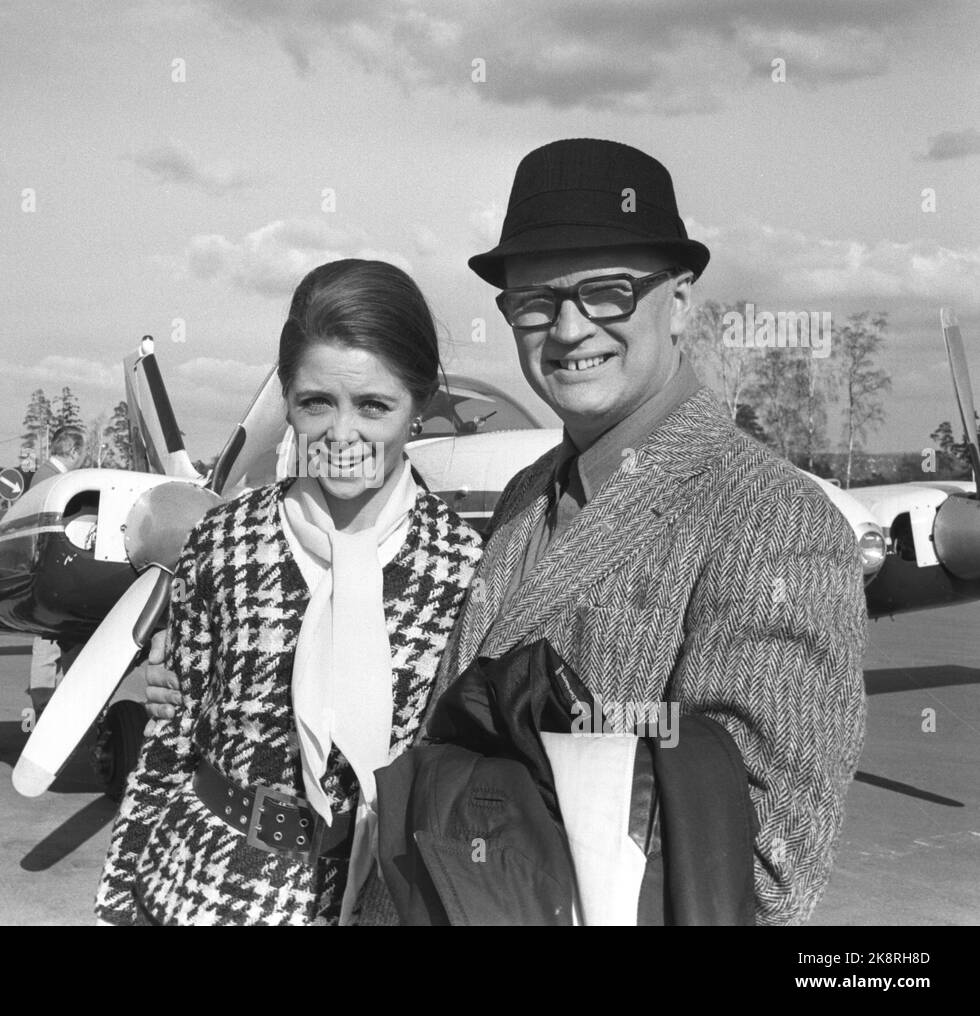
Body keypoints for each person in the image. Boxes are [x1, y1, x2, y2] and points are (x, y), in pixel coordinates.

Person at [148, 139, 868, 926]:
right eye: (535, 300)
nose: (567, 328)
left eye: (608, 292)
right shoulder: (531, 494)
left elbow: (757, 872)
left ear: (682, 298)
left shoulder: (776, 521)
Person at [93, 259, 482, 925]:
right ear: (289, 403)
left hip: (383, 894)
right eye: (315, 402)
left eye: (374, 405)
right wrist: (120, 899)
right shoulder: (222, 539)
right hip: (211, 883)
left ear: (418, 406)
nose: (342, 434)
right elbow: (171, 739)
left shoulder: (466, 569)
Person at [27, 430, 86, 716]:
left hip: (47, 574)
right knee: (48, 640)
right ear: (74, 452)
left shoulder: (44, 474)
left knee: (52, 640)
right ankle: (45, 705)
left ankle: (52, 704)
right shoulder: (54, 481)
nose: (83, 459)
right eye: (83, 453)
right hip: (51, 577)